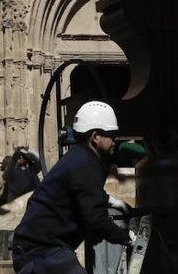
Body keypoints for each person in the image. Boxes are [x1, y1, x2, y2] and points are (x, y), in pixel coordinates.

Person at [11, 100, 133, 274]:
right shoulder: (85, 163)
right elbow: (95, 218)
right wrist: (126, 238)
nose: (115, 140)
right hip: (40, 252)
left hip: (42, 249)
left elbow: (85, 193)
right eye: (111, 134)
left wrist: (114, 202)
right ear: (95, 137)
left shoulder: (81, 158)